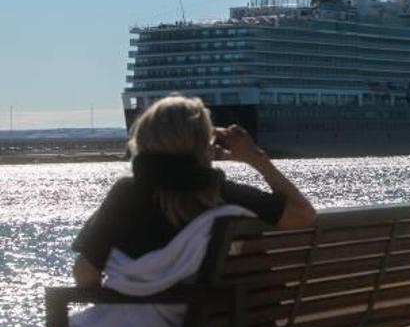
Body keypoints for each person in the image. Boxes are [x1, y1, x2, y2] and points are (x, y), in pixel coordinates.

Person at [71, 94, 316, 287]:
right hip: (229, 324)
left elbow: (85, 273)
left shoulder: (128, 194)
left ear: (144, 138)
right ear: (203, 143)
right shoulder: (222, 194)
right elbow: (303, 214)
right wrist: (256, 158)